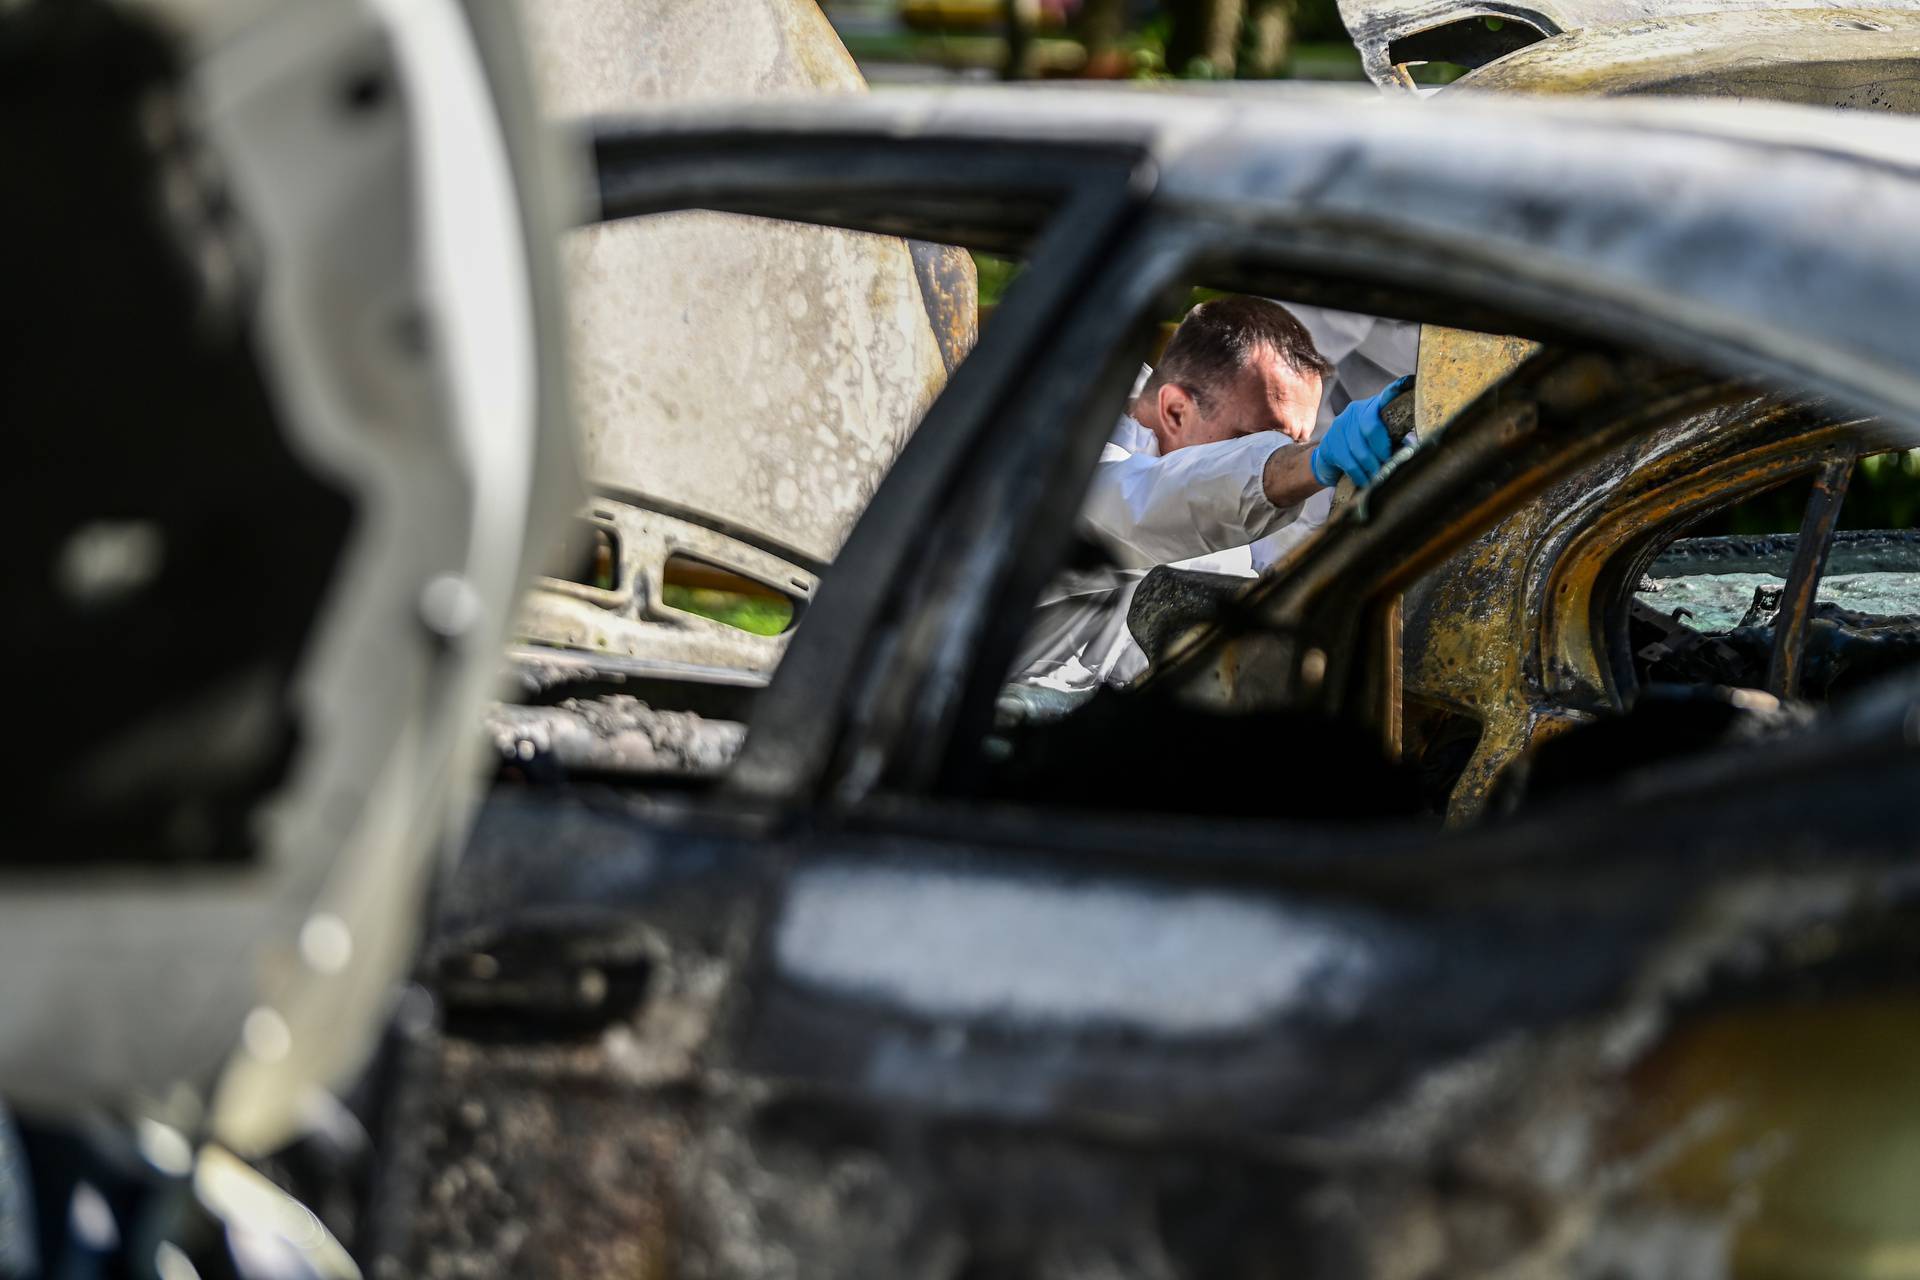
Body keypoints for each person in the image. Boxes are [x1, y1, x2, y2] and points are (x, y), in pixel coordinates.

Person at [1013, 296, 1410, 693]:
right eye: (1260, 440)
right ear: (1175, 410)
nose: (1277, 454)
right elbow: (1132, 509)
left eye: (1296, 442)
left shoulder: (1224, 528)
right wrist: (1307, 463)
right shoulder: (1054, 451)